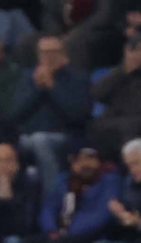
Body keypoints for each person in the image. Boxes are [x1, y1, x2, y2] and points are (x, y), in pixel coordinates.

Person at [11, 143, 120, 243]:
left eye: (91, 159)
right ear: (72, 162)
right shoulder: (63, 181)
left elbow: (101, 215)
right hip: (59, 235)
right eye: (80, 159)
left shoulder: (109, 181)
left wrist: (68, 232)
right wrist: (52, 230)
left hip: (91, 236)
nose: (86, 164)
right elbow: (48, 208)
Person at [10, 33, 94, 197]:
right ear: (38, 55)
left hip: (65, 136)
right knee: (4, 147)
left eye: (54, 52)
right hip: (27, 137)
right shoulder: (27, 78)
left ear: (64, 54)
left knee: (40, 140)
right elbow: (15, 114)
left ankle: (54, 197)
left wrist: (52, 87)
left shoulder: (78, 78)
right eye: (44, 52)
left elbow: (79, 114)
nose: (49, 57)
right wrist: (37, 89)